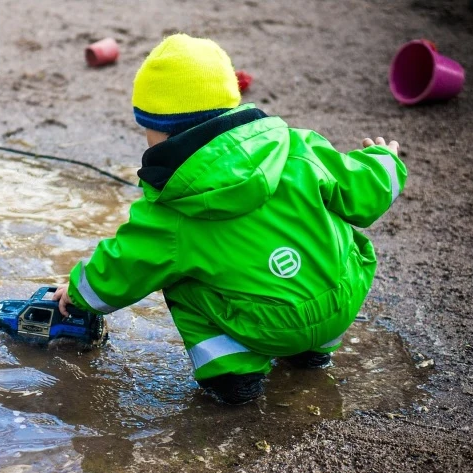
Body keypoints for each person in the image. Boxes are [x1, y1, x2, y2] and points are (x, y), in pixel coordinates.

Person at [52, 34, 407, 404]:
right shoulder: (298, 147)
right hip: (340, 301)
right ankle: (312, 354)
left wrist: (77, 294)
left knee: (174, 275)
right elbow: (364, 191)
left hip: (266, 326)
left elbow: (124, 266)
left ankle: (233, 376)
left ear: (156, 130)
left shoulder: (170, 208)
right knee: (329, 232)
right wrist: (385, 160)